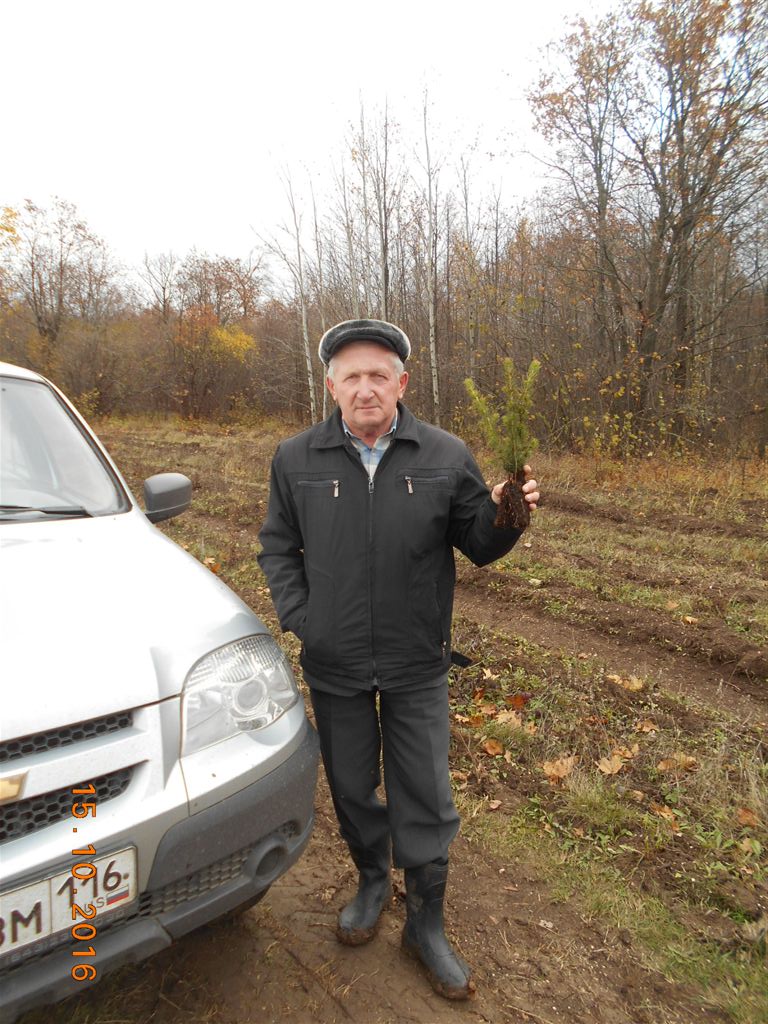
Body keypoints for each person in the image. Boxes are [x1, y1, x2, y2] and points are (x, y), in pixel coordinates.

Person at [257, 319, 539, 1000]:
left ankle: (426, 924)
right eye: (350, 376)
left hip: (417, 662)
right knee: (352, 786)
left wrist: (508, 518)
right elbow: (276, 548)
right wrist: (305, 620)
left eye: (377, 375)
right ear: (331, 386)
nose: (364, 388)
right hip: (337, 662)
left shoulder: (444, 453)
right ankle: (372, 882)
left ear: (401, 383)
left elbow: (477, 540)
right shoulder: (295, 460)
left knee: (426, 796)